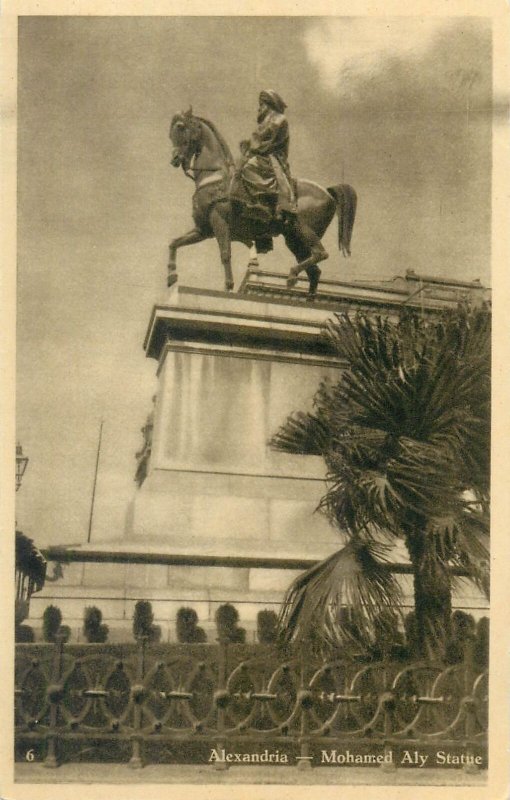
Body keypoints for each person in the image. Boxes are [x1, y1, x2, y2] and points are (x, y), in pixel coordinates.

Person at [232, 89, 297, 226]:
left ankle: (262, 204)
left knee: (247, 168)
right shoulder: (268, 120)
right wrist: (248, 144)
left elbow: (266, 140)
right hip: (263, 154)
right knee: (239, 165)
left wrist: (251, 146)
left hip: (272, 157)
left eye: (262, 104)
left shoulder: (278, 119)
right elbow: (257, 139)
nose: (259, 107)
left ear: (269, 104)